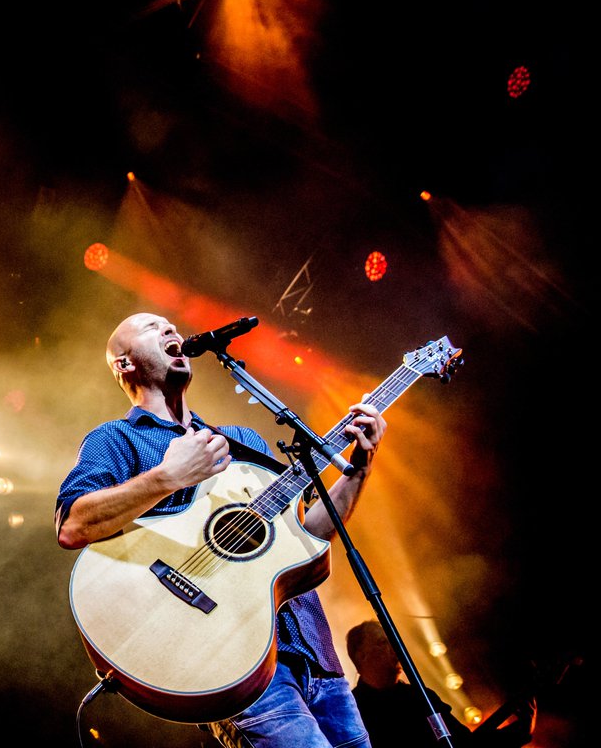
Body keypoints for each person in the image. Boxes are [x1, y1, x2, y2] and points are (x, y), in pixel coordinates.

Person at [55, 311, 387, 748]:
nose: (171, 330)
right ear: (124, 364)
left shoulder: (242, 440)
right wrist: (166, 477)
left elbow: (308, 536)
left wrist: (358, 470)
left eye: (172, 325)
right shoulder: (116, 438)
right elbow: (73, 524)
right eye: (153, 328)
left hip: (317, 657)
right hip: (232, 660)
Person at [346, 619, 535, 748]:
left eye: (392, 641)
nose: (394, 647)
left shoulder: (420, 697)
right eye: (382, 642)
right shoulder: (350, 710)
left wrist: (520, 731)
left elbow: (464, 744)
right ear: (361, 656)